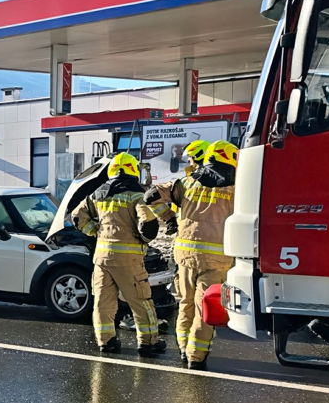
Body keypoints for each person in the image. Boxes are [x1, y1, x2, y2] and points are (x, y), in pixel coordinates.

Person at [72, 152, 168, 356]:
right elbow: (148, 223)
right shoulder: (136, 194)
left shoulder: (98, 194)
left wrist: (95, 231)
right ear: (133, 170)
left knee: (103, 303)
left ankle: (106, 342)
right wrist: (143, 239)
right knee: (141, 302)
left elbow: (77, 216)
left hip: (102, 259)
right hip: (128, 260)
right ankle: (148, 343)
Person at [152, 140, 236, 369]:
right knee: (204, 308)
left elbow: (151, 195)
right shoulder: (236, 188)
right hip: (217, 259)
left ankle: (183, 348)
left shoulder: (187, 182)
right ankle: (196, 356)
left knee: (186, 303)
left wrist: (168, 219)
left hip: (186, 255)